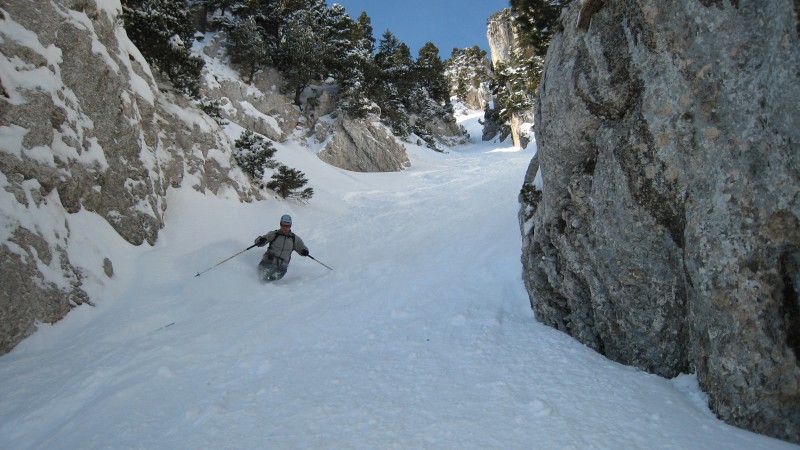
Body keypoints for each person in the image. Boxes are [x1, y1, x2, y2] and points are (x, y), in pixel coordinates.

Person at [254, 214, 309, 282]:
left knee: (270, 281)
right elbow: (259, 242)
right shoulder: (273, 234)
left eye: (288, 225)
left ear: (290, 225)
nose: (285, 227)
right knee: (259, 278)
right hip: (267, 262)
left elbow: (302, 248)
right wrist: (260, 240)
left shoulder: (294, 239)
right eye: (283, 225)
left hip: (281, 268)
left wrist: (304, 251)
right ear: (280, 224)